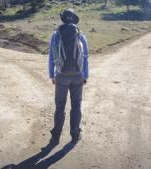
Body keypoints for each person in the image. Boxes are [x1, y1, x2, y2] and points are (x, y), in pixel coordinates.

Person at [48, 8, 89, 145]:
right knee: (76, 105)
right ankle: (75, 134)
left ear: (63, 19)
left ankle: (56, 137)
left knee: (60, 106)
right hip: (77, 75)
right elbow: (85, 57)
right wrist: (85, 75)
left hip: (61, 75)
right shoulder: (80, 35)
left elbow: (52, 57)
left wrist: (52, 74)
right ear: (74, 20)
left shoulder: (56, 34)